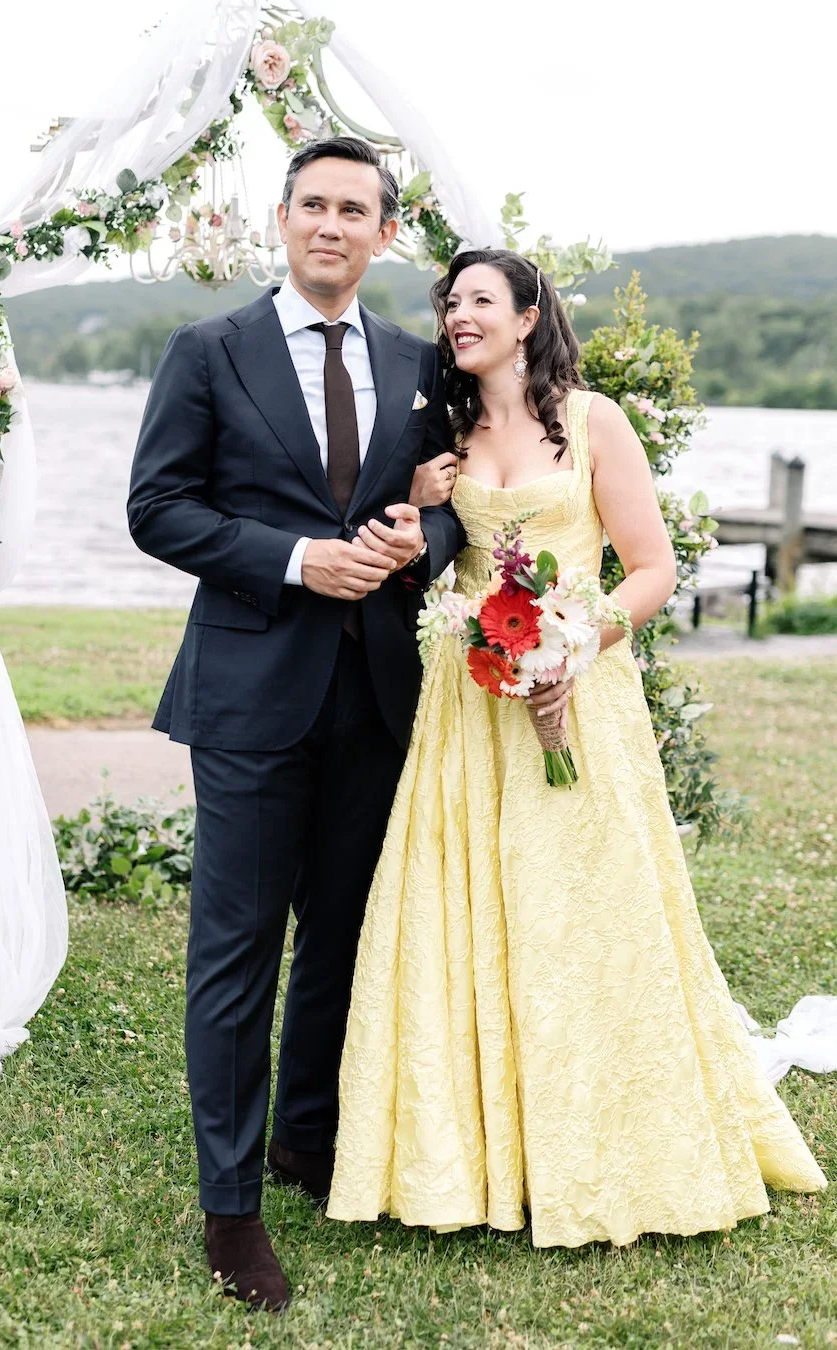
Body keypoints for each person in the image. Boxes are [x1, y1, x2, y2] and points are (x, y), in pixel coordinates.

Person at [327, 249, 827, 1246]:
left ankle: (606, 1142)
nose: (458, 316)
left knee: (583, 910)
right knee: (473, 907)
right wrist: (422, 510)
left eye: (479, 301)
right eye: (448, 303)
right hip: (469, 707)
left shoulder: (596, 422)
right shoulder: (447, 439)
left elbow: (650, 567)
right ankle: (472, 1155)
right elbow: (430, 560)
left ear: (527, 316)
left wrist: (573, 646)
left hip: (578, 697)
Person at [127, 136, 464, 1311]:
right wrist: (295, 560)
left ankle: (306, 1144)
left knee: (339, 940)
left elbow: (451, 516)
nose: (332, 224)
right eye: (313, 204)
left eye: (354, 209)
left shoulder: (423, 365)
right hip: (249, 694)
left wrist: (417, 542)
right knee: (236, 953)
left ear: (381, 234)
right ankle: (232, 1212)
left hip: (377, 696)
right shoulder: (208, 351)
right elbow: (157, 508)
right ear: (281, 220)